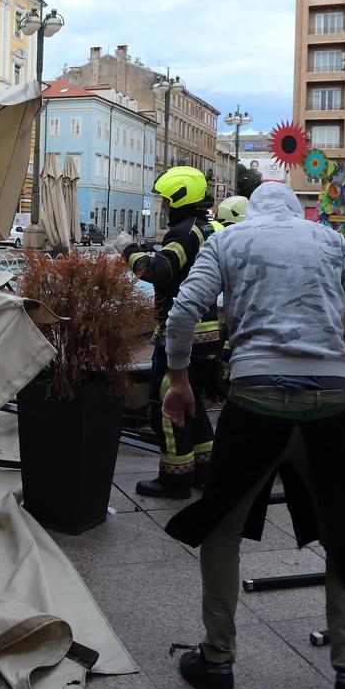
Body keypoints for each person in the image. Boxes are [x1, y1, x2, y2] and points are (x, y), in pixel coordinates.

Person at [160, 182, 345, 689]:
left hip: (255, 400)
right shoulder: (329, 241)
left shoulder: (228, 241)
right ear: (299, 212)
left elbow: (183, 314)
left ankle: (217, 661)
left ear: (252, 211)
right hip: (330, 403)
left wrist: (180, 381)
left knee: (222, 526)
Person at [122, 166, 226, 498]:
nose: (163, 208)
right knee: (191, 402)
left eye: (166, 201)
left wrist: (127, 249)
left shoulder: (184, 232)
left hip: (182, 334)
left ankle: (175, 477)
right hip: (207, 331)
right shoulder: (210, 226)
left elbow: (160, 271)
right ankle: (204, 469)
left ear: (180, 198)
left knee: (169, 403)